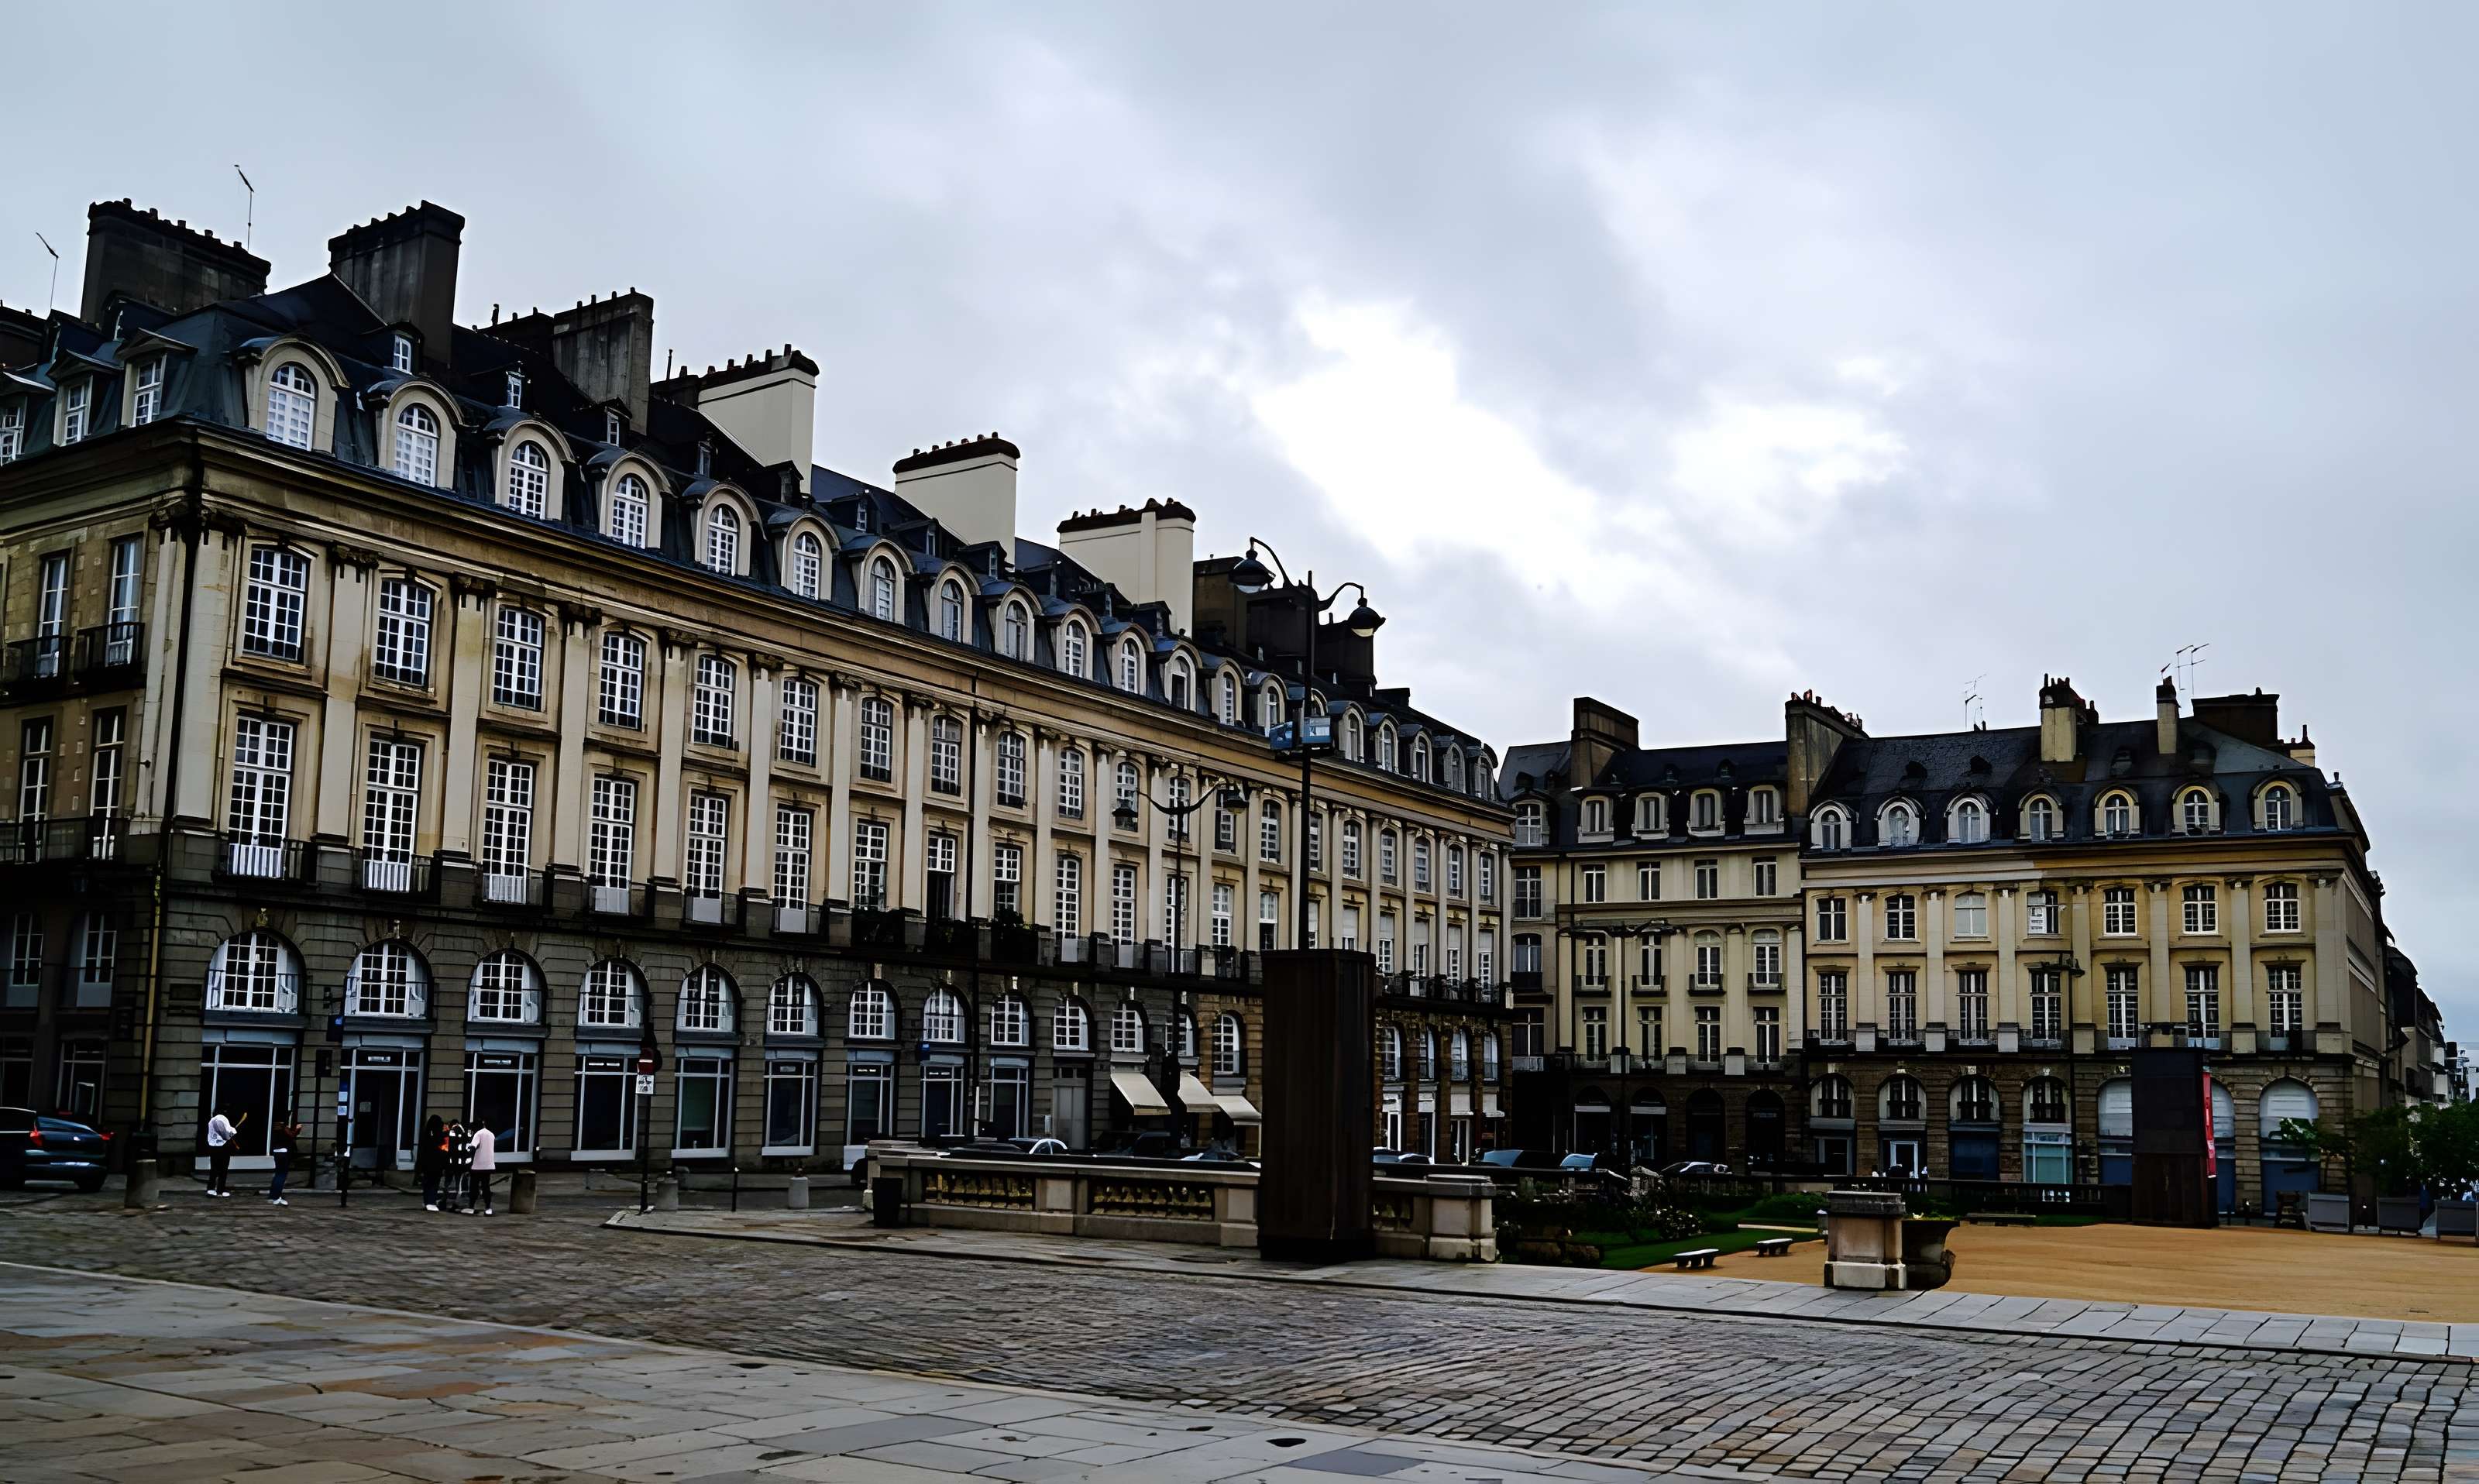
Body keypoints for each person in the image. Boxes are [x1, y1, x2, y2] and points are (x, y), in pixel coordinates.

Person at [204, 1106, 240, 1197]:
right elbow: (226, 1136)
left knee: (215, 1169)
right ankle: (219, 1190)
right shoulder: (220, 1120)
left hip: (214, 1147)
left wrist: (231, 1130)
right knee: (222, 1169)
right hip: (222, 1148)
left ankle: (212, 1189)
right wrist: (233, 1132)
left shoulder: (214, 1120)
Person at [417, 1115, 448, 1211]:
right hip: (436, 1162)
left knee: (428, 1183)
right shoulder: (438, 1134)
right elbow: (442, 1147)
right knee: (434, 1183)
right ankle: (431, 1202)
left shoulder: (426, 1134)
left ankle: (428, 1201)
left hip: (427, 1163)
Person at [466, 1122, 497, 1216]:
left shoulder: (478, 1134)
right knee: (486, 1186)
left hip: (477, 1165)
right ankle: (488, 1207)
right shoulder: (491, 1134)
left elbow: (473, 1147)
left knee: (474, 1186)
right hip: (489, 1165)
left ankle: (471, 1206)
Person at [444, 1121, 474, 1212]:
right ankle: (459, 1203)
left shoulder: (455, 1133)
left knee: (456, 1184)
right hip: (463, 1165)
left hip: (458, 1165)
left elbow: (453, 1150)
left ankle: (455, 1203)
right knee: (461, 1185)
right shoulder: (465, 1137)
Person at [266, 1120, 296, 1206]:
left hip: (277, 1151)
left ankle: (272, 1196)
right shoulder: (284, 1129)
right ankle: (276, 1196)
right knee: (281, 1175)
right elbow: (291, 1136)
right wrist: (297, 1130)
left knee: (278, 1174)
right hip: (284, 1152)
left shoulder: (275, 1129)